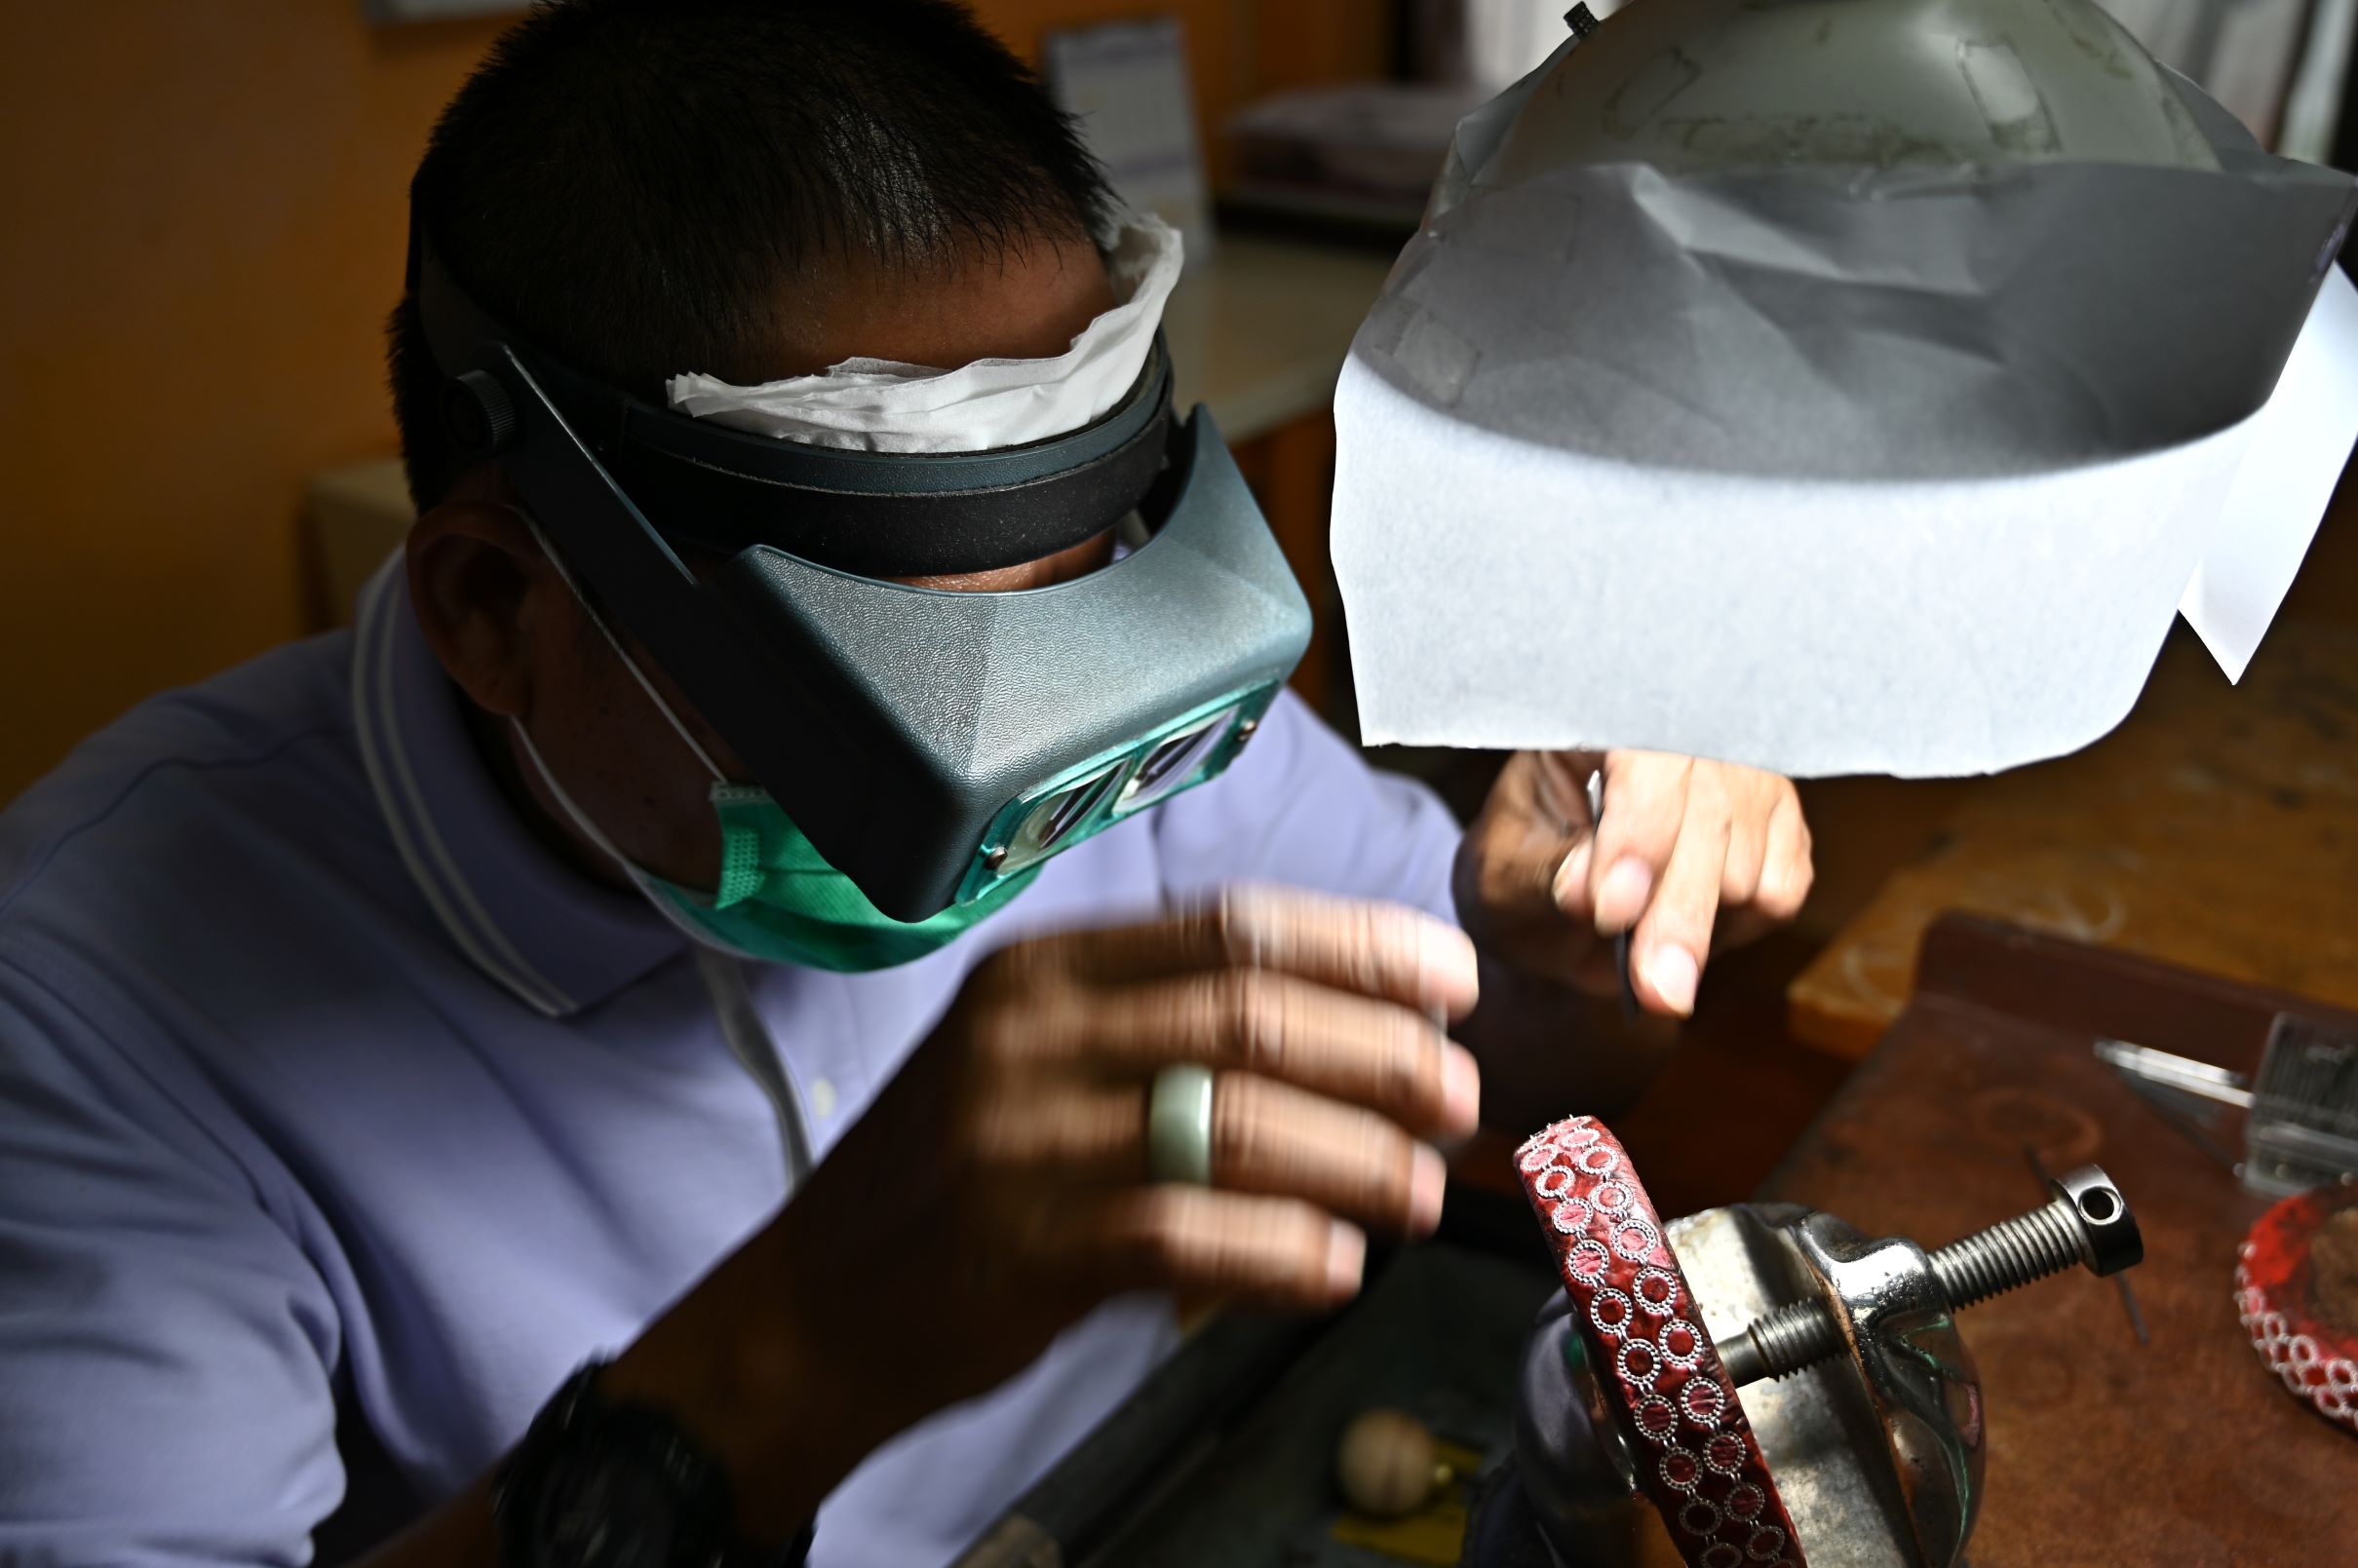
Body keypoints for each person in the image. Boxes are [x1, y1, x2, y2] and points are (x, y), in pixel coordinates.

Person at [0, 3, 1813, 1564]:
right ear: (498, 607)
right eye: (934, 704)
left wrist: (1574, 961)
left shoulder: (1122, 704)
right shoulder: (84, 1005)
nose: (1057, 768)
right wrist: (771, 1371)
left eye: (1083, 636)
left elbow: (1495, 1063)